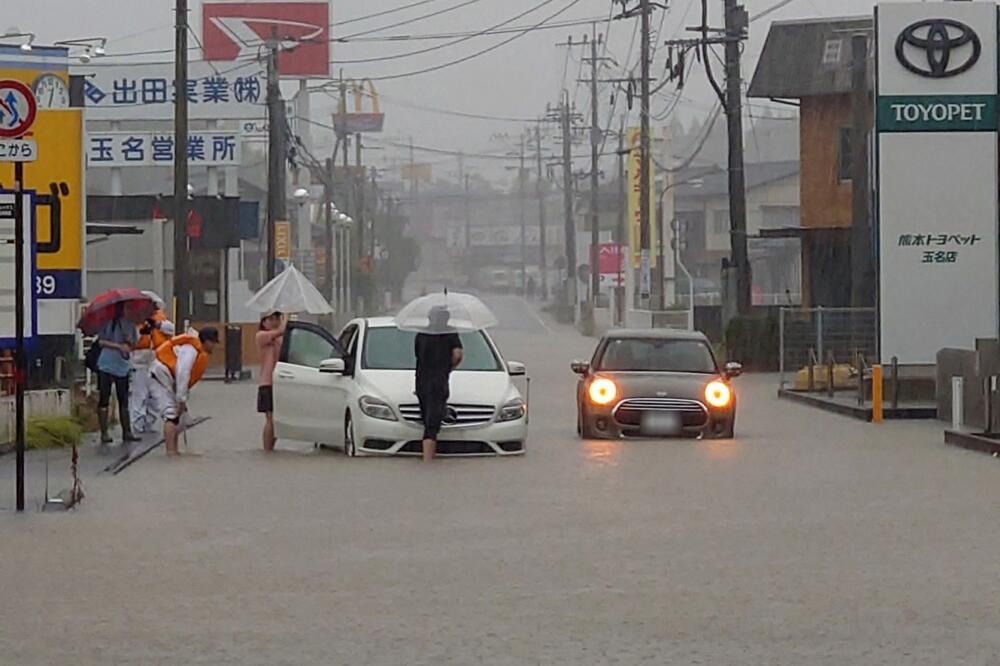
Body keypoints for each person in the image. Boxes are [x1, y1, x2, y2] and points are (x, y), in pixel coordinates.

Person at [149, 328, 220, 456]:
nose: (214, 346)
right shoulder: (190, 349)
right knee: (171, 414)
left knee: (181, 419)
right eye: (213, 342)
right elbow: (183, 372)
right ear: (207, 341)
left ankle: (175, 450)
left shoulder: (195, 350)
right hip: (159, 377)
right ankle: (170, 453)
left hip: (169, 379)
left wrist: (182, 398)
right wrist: (181, 399)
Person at [414, 306, 464, 462]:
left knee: (426, 418)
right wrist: (449, 367)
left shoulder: (421, 335)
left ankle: (426, 458)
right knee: (432, 426)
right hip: (439, 382)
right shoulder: (450, 333)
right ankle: (428, 462)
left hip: (421, 382)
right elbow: (457, 355)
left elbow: (418, 355)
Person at [129, 295, 175, 435]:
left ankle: (149, 423)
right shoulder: (134, 320)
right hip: (139, 361)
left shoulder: (160, 319)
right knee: (139, 395)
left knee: (155, 396)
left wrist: (156, 325)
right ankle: (137, 425)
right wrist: (143, 331)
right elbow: (131, 337)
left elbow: (171, 329)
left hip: (156, 361)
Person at [96, 304, 139, 445]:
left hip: (122, 365)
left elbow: (134, 343)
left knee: (123, 398)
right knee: (104, 397)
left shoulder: (130, 324)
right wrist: (117, 346)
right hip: (106, 364)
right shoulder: (106, 323)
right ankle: (104, 432)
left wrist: (128, 341)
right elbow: (101, 341)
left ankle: (127, 431)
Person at [256, 312, 288, 452]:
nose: (274, 321)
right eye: (271, 319)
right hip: (267, 383)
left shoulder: (280, 339)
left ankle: (271, 449)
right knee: (270, 418)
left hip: (280, 381)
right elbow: (280, 331)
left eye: (277, 318)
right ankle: (267, 450)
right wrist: (287, 317)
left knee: (276, 419)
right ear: (264, 322)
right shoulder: (261, 336)